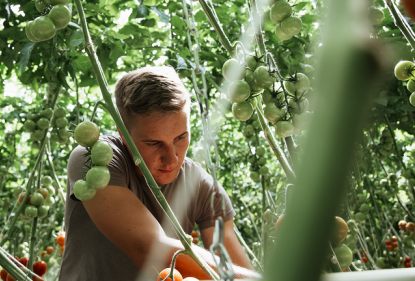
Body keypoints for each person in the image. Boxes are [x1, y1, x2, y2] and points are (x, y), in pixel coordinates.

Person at [59, 66, 260, 280]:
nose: (172, 158)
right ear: (123, 134)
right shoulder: (95, 160)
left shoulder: (202, 187)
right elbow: (149, 250)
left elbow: (236, 269)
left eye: (180, 137)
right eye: (154, 143)